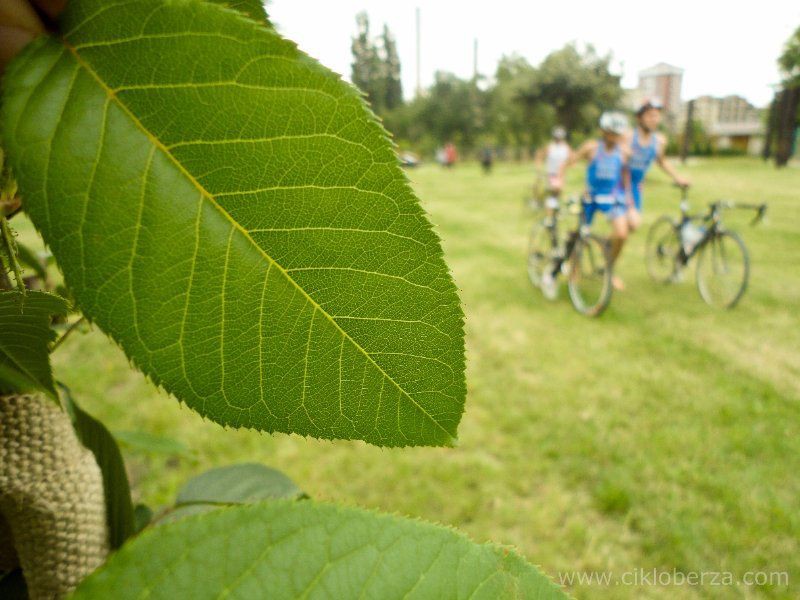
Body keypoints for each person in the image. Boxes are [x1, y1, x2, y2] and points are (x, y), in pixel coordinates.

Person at [555, 111, 632, 293]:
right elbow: (567, 163)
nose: (614, 138)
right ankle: (574, 270)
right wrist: (560, 180)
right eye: (611, 133)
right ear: (603, 132)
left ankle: (608, 270)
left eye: (617, 134)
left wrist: (627, 195)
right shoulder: (591, 148)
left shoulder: (623, 152)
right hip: (590, 197)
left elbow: (625, 174)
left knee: (621, 234)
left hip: (611, 199)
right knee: (581, 235)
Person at [621, 97, 690, 231]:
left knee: (632, 227)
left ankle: (608, 245)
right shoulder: (628, 136)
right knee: (624, 226)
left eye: (657, 116)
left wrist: (677, 177)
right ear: (639, 117)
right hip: (620, 183)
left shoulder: (659, 141)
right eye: (650, 116)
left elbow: (661, 161)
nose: (654, 120)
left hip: (636, 185)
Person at [535, 126, 571, 211]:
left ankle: (553, 209)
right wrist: (539, 168)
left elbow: (572, 158)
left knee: (557, 192)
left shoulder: (566, 147)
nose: (558, 139)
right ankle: (550, 211)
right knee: (555, 190)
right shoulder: (550, 147)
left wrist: (565, 166)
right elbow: (540, 156)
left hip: (561, 175)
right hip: (552, 173)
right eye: (556, 137)